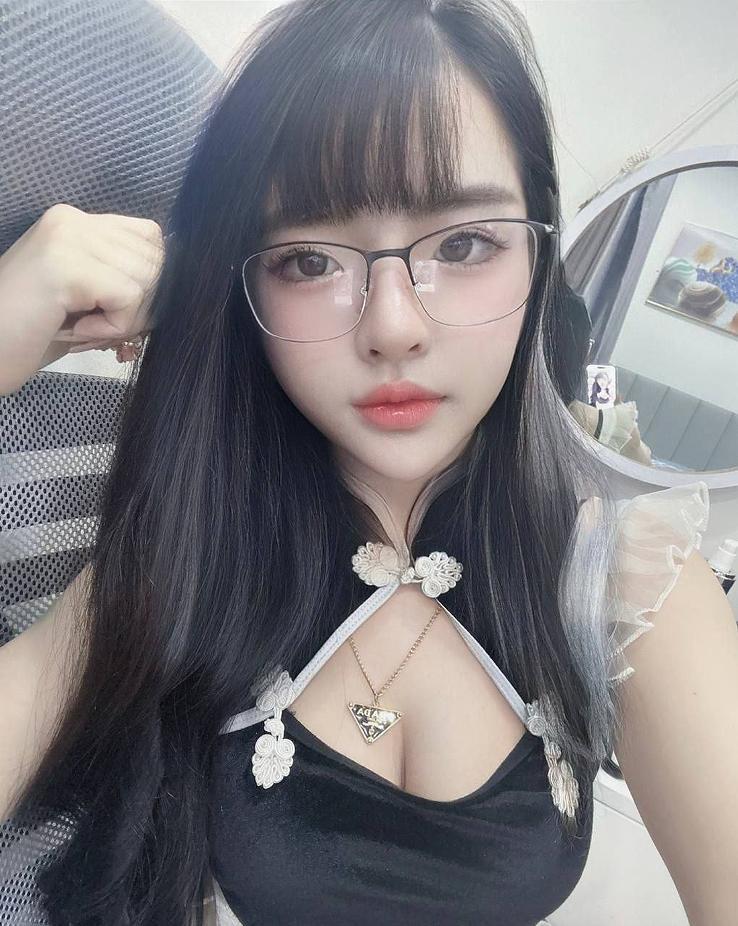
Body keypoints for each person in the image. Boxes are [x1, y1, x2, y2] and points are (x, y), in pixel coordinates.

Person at [1, 2, 736, 925]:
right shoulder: (186, 550)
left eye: (464, 245)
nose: (393, 326)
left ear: (537, 253)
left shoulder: (630, 587)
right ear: (246, 282)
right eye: (310, 260)